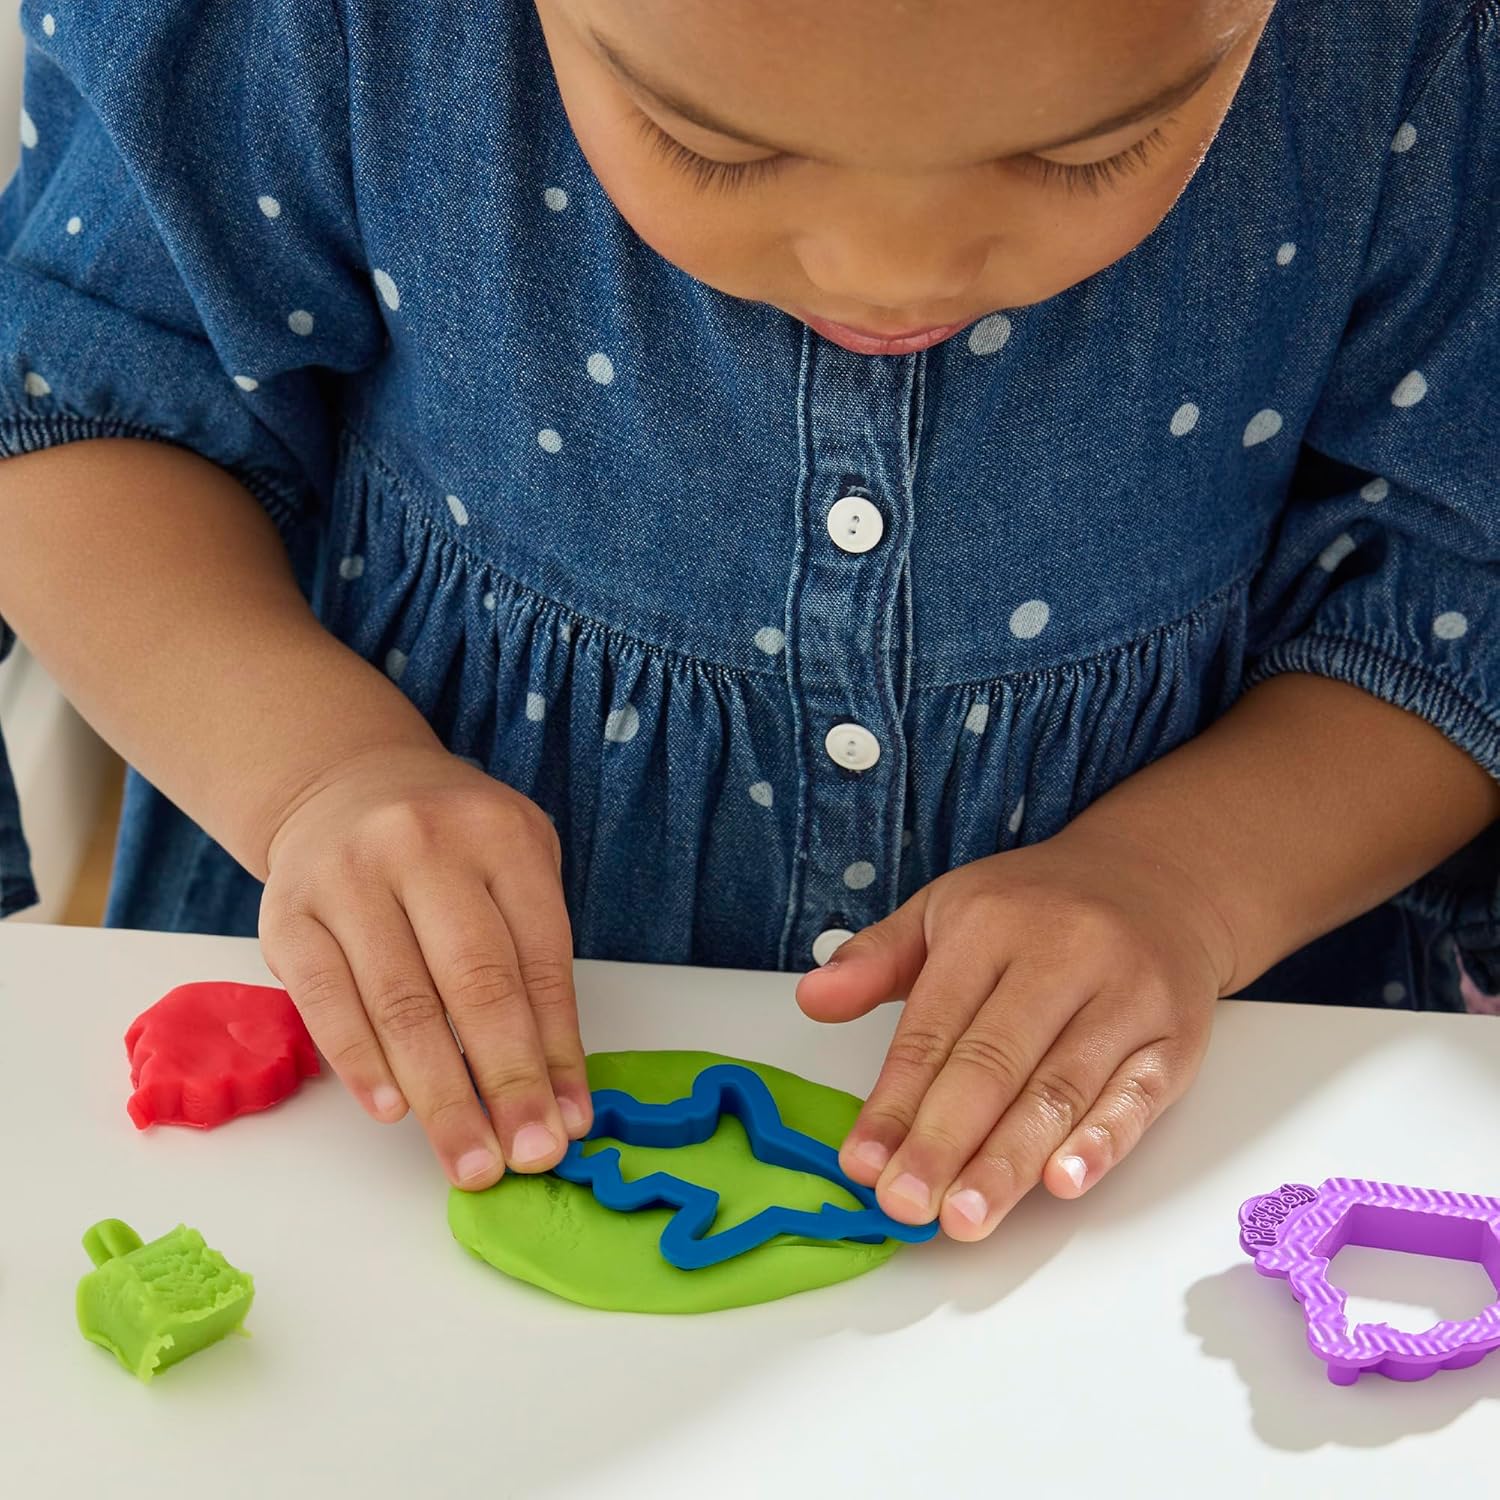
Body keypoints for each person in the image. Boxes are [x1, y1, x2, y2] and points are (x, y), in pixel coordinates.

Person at [0, 0, 1495, 1242]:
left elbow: (1457, 593)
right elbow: (81, 412)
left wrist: (1189, 883)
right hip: (367, 1135)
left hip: (1152, 1162)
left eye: (1089, 148)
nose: (893, 273)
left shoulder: (1414, 54)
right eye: (713, 142)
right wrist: (316, 776)